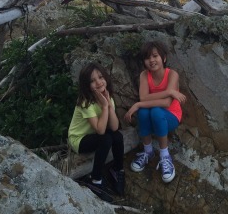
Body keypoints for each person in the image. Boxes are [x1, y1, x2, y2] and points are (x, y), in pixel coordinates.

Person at [124, 41, 186, 183]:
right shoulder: (144, 76)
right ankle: (148, 152)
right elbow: (143, 97)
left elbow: (167, 103)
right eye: (147, 58)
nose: (151, 60)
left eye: (155, 56)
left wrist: (141, 103)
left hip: (171, 117)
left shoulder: (172, 75)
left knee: (155, 111)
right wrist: (141, 103)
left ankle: (165, 156)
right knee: (144, 112)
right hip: (153, 117)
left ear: (163, 58)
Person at [68, 62, 125, 201]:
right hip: (79, 139)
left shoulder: (107, 96)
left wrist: (109, 106)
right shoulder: (85, 102)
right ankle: (96, 180)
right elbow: (100, 130)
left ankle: (118, 170)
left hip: (94, 134)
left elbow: (114, 127)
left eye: (100, 77)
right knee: (105, 139)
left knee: (117, 136)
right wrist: (105, 106)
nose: (98, 82)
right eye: (92, 81)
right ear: (86, 85)